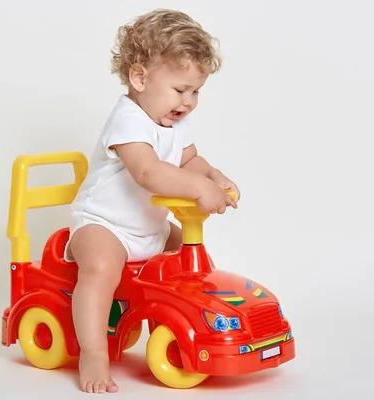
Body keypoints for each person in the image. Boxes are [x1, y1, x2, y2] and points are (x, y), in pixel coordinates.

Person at [63, 8, 240, 394]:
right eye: (180, 90)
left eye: (196, 91)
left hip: (151, 228)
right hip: (103, 224)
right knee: (102, 268)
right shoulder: (128, 120)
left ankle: (189, 325)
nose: (189, 101)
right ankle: (92, 352)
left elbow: (189, 159)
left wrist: (214, 177)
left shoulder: (174, 121)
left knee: (190, 258)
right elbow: (148, 172)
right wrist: (197, 189)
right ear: (140, 77)